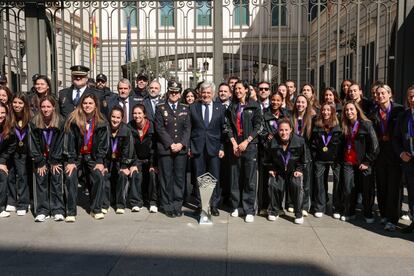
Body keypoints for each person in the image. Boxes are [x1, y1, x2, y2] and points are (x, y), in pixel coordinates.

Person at [63, 93, 109, 222]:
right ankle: (71, 211)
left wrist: (100, 161)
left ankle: (96, 209)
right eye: (85, 103)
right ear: (81, 104)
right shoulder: (73, 120)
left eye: (90, 103)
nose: (87, 106)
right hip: (76, 156)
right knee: (70, 176)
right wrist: (71, 161)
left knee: (98, 176)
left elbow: (103, 144)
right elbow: (69, 142)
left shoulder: (101, 121)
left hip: (92, 156)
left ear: (95, 106)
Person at [225, 80, 263, 223]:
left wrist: (246, 141)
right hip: (235, 147)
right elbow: (227, 125)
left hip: (250, 146)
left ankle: (248, 209)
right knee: (235, 177)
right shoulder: (232, 107)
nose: (237, 91)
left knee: (249, 179)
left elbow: (259, 126)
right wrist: (234, 143)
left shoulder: (254, 105)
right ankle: (236, 206)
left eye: (240, 88)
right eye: (235, 89)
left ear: (246, 90)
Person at [155, 80, 191, 218]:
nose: (174, 94)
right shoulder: (160, 108)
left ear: (180, 93)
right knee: (166, 178)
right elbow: (159, 128)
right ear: (168, 92)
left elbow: (188, 129)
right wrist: (171, 144)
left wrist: (181, 144)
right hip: (166, 149)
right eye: (172, 91)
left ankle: (177, 204)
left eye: (176, 92)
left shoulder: (185, 108)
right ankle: (167, 205)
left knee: (179, 178)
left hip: (180, 150)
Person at [371, 84, 404, 231]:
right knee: (382, 186)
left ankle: (392, 219)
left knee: (394, 188)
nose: (380, 96)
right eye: (378, 94)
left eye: (383, 93)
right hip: (380, 155)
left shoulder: (399, 110)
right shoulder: (373, 111)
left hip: (395, 154)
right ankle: (384, 215)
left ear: (390, 94)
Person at [189, 82, 225, 216]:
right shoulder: (193, 107)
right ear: (199, 93)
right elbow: (189, 129)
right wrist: (189, 147)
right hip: (197, 147)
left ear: (213, 94)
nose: (206, 95)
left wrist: (221, 147)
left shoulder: (220, 108)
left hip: (214, 148)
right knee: (200, 177)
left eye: (208, 93)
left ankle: (214, 205)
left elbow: (223, 130)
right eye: (203, 92)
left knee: (213, 177)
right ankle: (201, 204)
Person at [340, 101, 379, 222]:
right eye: (346, 110)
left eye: (351, 109)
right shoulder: (345, 125)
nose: (349, 112)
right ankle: (350, 212)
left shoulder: (366, 124)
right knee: (348, 187)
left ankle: (368, 213)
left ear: (357, 110)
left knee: (367, 189)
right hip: (348, 162)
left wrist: (367, 161)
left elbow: (375, 145)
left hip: (363, 162)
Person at [30, 96, 65, 222]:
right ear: (39, 108)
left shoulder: (61, 121)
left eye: (48, 106)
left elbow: (62, 142)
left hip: (56, 157)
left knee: (56, 180)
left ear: (54, 107)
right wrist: (40, 162)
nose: (45, 109)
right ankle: (42, 210)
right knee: (41, 180)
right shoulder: (34, 122)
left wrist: (55, 160)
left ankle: (58, 209)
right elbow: (33, 143)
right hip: (40, 157)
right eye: (43, 107)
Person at [267, 118, 307, 224]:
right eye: (281, 130)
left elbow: (304, 159)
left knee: (296, 184)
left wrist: (299, 170)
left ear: (291, 130)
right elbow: (267, 158)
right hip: (279, 170)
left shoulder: (300, 141)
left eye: (286, 130)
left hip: (293, 170)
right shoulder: (272, 141)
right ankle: (275, 211)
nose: (283, 132)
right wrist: (272, 169)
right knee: (274, 185)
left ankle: (298, 213)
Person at [310, 103, 343, 218]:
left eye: (328, 110)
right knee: (319, 182)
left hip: (335, 159)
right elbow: (313, 143)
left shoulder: (338, 126)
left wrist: (338, 157)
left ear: (333, 112)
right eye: (323, 110)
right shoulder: (317, 125)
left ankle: (336, 208)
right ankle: (320, 207)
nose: (325, 112)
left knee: (338, 182)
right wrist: (315, 155)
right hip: (320, 159)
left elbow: (341, 143)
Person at [259, 92, 289, 212]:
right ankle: (265, 206)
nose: (275, 102)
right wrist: (267, 136)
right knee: (266, 181)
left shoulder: (285, 114)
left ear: (282, 101)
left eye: (278, 100)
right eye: (273, 100)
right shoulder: (264, 113)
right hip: (267, 152)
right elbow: (260, 130)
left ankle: (278, 206)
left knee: (279, 181)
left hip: (281, 152)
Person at [102, 106, 134, 215]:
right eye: (113, 117)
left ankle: (120, 204)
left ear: (122, 118)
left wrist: (124, 166)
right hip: (107, 160)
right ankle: (105, 204)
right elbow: (101, 147)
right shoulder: (104, 129)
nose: (115, 120)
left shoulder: (126, 130)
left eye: (118, 117)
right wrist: (103, 164)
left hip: (121, 160)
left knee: (122, 176)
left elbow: (127, 149)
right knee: (104, 176)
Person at [128, 104, 158, 213]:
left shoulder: (152, 126)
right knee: (135, 173)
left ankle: (153, 202)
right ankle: (136, 202)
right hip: (137, 158)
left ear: (144, 114)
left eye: (139, 113)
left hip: (150, 158)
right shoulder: (129, 127)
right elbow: (130, 147)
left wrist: (152, 164)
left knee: (152, 174)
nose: (137, 116)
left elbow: (155, 147)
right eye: (134, 113)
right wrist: (133, 163)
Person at [393, 85, 414, 233]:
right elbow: (396, 139)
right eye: (410, 97)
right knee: (412, 194)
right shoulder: (403, 116)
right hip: (409, 161)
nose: (412, 99)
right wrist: (401, 154)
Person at [6, 94, 32, 216]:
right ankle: (12, 201)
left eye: (20, 103)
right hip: (11, 151)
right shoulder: (8, 117)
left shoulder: (30, 118)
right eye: (15, 102)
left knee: (22, 176)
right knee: (10, 175)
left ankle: (23, 203)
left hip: (25, 152)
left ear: (25, 105)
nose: (17, 105)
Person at [290, 95, 313, 215]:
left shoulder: (311, 119)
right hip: (293, 153)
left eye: (303, 102)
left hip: (306, 154)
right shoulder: (291, 117)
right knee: (293, 179)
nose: (300, 104)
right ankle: (293, 203)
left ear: (307, 104)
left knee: (306, 181)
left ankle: (304, 206)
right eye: (298, 102)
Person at [0, 102, 16, 218]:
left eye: (3, 113)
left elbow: (11, 147)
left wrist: (1, 162)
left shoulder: (9, 128)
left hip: (1, 160)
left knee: (3, 175)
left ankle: (1, 207)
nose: (0, 115)